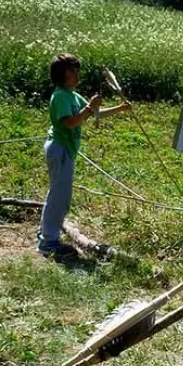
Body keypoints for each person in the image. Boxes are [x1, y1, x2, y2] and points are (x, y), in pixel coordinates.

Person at [38, 53, 130, 257]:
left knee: (58, 195)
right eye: (73, 70)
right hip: (60, 148)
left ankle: (46, 232)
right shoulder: (60, 96)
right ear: (63, 74)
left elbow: (95, 113)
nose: (78, 74)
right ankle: (48, 242)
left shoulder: (72, 95)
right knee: (59, 197)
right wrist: (89, 107)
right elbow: (70, 122)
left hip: (65, 150)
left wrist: (120, 109)